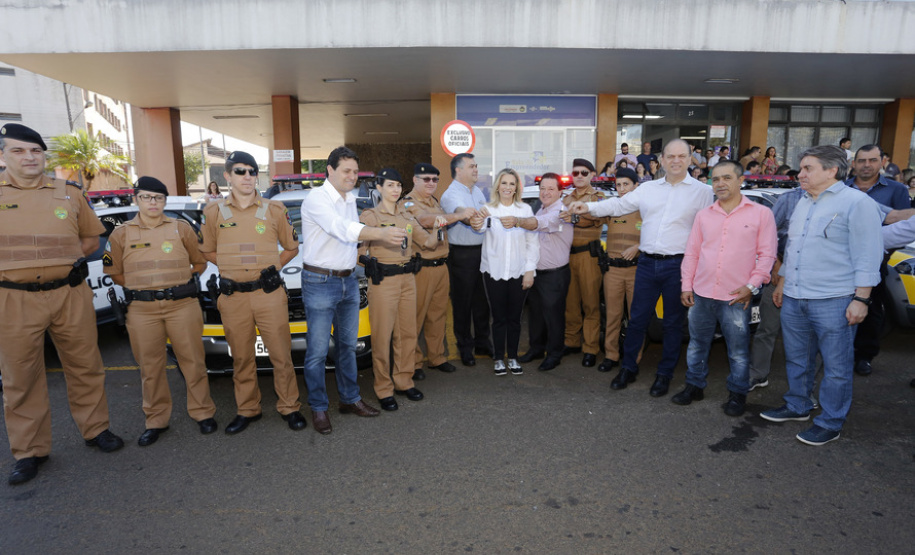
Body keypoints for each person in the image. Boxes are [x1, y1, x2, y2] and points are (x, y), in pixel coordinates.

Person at [0, 123, 124, 486]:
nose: (29, 157)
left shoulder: (69, 193)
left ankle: (96, 429)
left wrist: (62, 261)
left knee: (85, 365)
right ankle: (30, 451)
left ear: (44, 156)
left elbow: (91, 239)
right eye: (19, 151)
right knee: (21, 377)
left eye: (35, 151)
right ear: (4, 156)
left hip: (69, 293)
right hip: (14, 297)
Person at [569, 139, 714, 397]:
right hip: (646, 264)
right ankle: (628, 368)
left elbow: (707, 235)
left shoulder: (702, 192)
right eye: (670, 156)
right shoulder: (648, 189)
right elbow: (618, 204)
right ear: (662, 159)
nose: (676, 160)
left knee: (671, 324)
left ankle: (664, 374)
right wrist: (588, 207)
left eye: (681, 156)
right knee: (636, 320)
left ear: (691, 158)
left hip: (677, 265)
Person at [761, 145, 883, 446]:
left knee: (836, 366)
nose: (800, 174)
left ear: (832, 170)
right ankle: (798, 405)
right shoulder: (802, 202)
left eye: (807, 168)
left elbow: (869, 254)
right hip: (794, 296)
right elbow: (794, 248)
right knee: (798, 358)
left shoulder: (857, 203)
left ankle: (830, 421)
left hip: (835, 299)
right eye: (801, 168)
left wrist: (861, 299)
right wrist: (781, 283)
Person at [104, 176, 217, 445]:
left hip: (182, 305)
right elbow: (115, 272)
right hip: (142, 310)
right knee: (150, 367)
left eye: (158, 197)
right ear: (136, 199)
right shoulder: (120, 234)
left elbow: (199, 262)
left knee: (193, 362)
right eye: (146, 197)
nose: (152, 202)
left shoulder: (182, 229)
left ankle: (203, 413)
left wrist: (176, 283)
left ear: (165, 201)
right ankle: (156, 420)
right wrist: (143, 288)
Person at [200, 150, 306, 435]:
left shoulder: (274, 210)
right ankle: (247, 409)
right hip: (233, 297)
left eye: (251, 171)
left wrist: (273, 268)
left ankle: (290, 407)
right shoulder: (213, 212)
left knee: (281, 355)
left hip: (268, 294)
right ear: (227, 176)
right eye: (240, 171)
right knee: (242, 357)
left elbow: (292, 247)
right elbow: (206, 249)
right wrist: (231, 268)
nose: (247, 176)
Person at [299, 146, 395, 434]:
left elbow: (349, 241)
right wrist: (379, 233)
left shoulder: (349, 199)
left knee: (347, 348)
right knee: (316, 352)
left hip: (348, 281)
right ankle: (319, 407)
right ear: (329, 170)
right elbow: (340, 229)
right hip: (319, 283)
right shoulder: (317, 199)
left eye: (355, 171)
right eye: (346, 171)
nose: (352, 176)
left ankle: (350, 399)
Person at [674, 161, 777, 416]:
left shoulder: (761, 214)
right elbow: (692, 253)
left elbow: (767, 256)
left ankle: (737, 394)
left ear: (741, 180)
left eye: (727, 178)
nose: (720, 183)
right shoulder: (704, 215)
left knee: (739, 350)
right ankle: (694, 386)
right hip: (701, 293)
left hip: (735, 296)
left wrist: (751, 287)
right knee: (697, 344)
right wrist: (687, 285)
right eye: (715, 179)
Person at [358, 168, 431, 411]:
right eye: (390, 185)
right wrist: (370, 263)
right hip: (383, 283)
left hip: (407, 280)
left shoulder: (407, 215)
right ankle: (383, 388)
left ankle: (404, 381)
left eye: (398, 185)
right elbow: (358, 253)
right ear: (378, 188)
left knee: (408, 333)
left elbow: (428, 241)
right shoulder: (370, 216)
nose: (396, 190)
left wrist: (440, 228)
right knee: (382, 337)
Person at [845, 145, 910, 376]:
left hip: (876, 262)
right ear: (854, 164)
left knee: (870, 312)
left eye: (872, 160)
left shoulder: (896, 189)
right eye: (861, 160)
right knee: (839, 311)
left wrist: (881, 255)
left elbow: (904, 227)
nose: (866, 165)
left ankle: (864, 356)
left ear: (882, 162)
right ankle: (840, 355)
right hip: (841, 264)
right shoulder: (841, 188)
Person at [470, 168, 539, 375]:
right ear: (497, 186)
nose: (508, 187)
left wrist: (530, 271)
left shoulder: (525, 210)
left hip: (519, 271)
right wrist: (477, 218)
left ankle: (514, 358)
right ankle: (499, 358)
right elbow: (478, 227)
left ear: (517, 187)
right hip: (494, 271)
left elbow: (532, 243)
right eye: (504, 183)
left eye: (512, 183)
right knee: (499, 318)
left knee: (515, 318)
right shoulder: (487, 209)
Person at [403, 163, 462, 379]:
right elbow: (426, 221)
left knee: (437, 315)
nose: (431, 183)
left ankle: (436, 357)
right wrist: (460, 215)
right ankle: (414, 363)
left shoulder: (433, 201)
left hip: (440, 266)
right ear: (415, 179)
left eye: (435, 179)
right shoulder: (408, 202)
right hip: (422, 268)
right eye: (426, 179)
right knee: (415, 318)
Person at [516, 173, 573, 371]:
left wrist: (515, 221)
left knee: (553, 316)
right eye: (542, 189)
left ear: (560, 191)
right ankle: (536, 349)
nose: (545, 192)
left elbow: (539, 224)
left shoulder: (561, 212)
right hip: (538, 273)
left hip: (554, 275)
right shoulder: (541, 209)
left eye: (550, 189)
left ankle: (555, 354)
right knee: (536, 315)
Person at [440, 153, 492, 366]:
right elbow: (462, 213)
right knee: (463, 303)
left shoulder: (477, 191)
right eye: (471, 166)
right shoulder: (451, 194)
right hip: (462, 254)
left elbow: (485, 216)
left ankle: (482, 341)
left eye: (476, 165)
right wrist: (469, 215)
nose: (476, 169)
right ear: (458, 170)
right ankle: (465, 346)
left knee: (482, 301)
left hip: (481, 252)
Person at [560, 158, 606, 367]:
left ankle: (590, 347)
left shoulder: (599, 197)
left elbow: (596, 218)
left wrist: (574, 218)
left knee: (590, 304)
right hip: (568, 256)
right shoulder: (566, 198)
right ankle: (571, 341)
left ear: (592, 175)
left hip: (589, 256)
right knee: (570, 303)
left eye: (584, 173)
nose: (579, 176)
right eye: (576, 173)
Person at [598, 168, 642, 373]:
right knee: (613, 315)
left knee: (636, 317)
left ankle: (633, 359)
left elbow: (657, 234)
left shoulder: (645, 208)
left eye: (627, 184)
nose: (623, 188)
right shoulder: (612, 208)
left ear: (636, 185)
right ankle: (611, 355)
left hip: (636, 271)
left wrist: (639, 247)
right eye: (619, 185)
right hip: (613, 270)